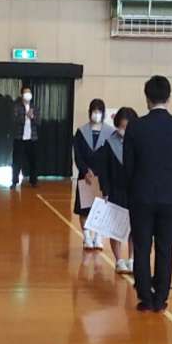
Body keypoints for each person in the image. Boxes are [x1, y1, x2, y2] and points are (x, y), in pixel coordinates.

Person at [124, 76, 172, 312]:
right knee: (165, 249)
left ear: (147, 98)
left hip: (141, 196)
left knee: (142, 247)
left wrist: (131, 193)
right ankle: (161, 298)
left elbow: (128, 166)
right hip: (170, 197)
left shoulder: (136, 127)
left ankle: (145, 297)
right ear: (169, 97)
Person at [97, 107, 138, 274]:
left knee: (135, 228)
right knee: (116, 227)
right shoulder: (109, 143)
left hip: (135, 192)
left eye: (127, 127)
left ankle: (132, 259)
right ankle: (119, 260)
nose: (124, 130)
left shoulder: (139, 143)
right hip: (115, 191)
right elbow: (104, 170)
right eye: (121, 127)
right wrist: (105, 190)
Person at [73, 99, 114, 250]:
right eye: (94, 111)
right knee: (84, 209)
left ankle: (98, 237)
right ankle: (87, 237)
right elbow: (78, 155)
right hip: (86, 177)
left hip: (103, 177)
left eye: (99, 111)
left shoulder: (110, 133)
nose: (96, 114)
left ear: (103, 113)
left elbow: (112, 156)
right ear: (90, 112)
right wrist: (85, 170)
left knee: (101, 208)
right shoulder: (81, 132)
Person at [11, 86, 41, 189]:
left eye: (29, 92)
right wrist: (25, 117)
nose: (28, 95)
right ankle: (14, 182)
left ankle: (33, 181)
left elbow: (39, 122)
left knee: (33, 161)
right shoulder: (17, 106)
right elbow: (14, 120)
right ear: (22, 95)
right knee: (16, 161)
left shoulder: (34, 107)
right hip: (19, 138)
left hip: (32, 139)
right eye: (26, 93)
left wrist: (32, 117)